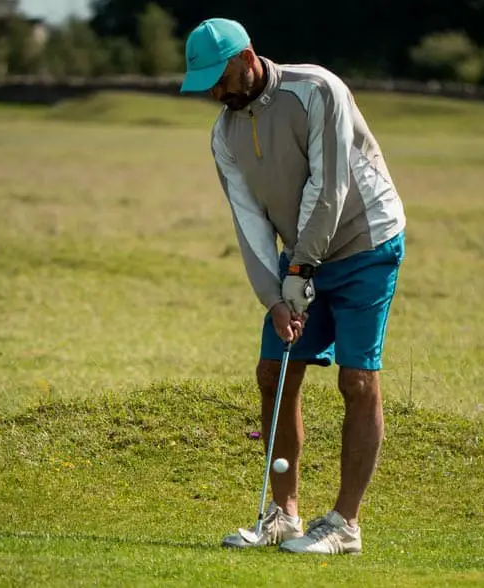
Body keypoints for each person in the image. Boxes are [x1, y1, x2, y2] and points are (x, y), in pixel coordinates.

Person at [181, 17, 406, 555]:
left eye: (220, 77)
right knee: (274, 369)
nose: (215, 91)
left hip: (364, 242)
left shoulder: (317, 90)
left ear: (248, 58)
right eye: (205, 82)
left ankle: (345, 525)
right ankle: (284, 515)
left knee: (356, 378)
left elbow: (329, 186)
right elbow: (250, 223)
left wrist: (300, 271)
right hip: (303, 257)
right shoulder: (224, 134)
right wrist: (276, 297)